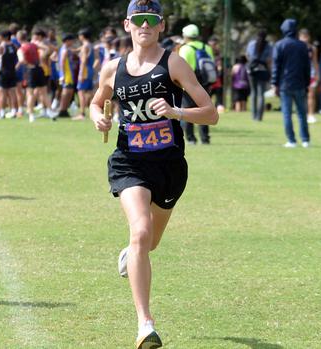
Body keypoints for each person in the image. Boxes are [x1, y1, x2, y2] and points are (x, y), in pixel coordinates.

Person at [89, 1, 218, 348]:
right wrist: (96, 116)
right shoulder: (112, 68)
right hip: (129, 161)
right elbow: (95, 101)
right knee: (141, 232)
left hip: (169, 166)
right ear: (127, 24)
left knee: (149, 243)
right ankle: (145, 324)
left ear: (160, 26)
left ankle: (131, 254)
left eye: (152, 20)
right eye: (138, 20)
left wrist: (176, 111)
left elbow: (210, 114)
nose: (145, 26)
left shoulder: (173, 63)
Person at [272, 19, 311, 148]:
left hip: (285, 84)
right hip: (300, 83)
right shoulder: (302, 45)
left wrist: (274, 83)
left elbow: (276, 67)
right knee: (302, 113)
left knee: (287, 113)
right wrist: (307, 83)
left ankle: (291, 140)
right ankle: (305, 140)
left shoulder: (279, 45)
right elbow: (307, 66)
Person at [178, 23, 214, 145]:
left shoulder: (185, 48)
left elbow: (181, 68)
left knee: (188, 110)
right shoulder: (206, 47)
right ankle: (205, 138)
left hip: (190, 83)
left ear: (185, 36)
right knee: (204, 109)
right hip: (205, 82)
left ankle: (191, 138)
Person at [246, 30, 272, 121]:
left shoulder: (251, 44)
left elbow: (248, 56)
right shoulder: (269, 46)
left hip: (252, 70)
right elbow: (269, 60)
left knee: (253, 93)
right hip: (263, 70)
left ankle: (253, 116)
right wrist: (270, 72)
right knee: (261, 94)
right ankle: (259, 117)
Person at [0, 30, 19, 119]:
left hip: (3, 72)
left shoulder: (1, 47)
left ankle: (2, 112)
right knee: (12, 92)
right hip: (12, 71)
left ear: (4, 37)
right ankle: (13, 111)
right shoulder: (14, 46)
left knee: (2, 93)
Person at [74, 28, 95, 121]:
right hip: (90, 70)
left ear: (82, 36)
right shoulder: (90, 45)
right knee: (89, 92)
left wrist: (81, 74)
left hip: (85, 70)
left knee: (81, 92)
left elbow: (83, 60)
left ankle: (82, 113)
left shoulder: (85, 46)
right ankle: (92, 112)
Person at [299, 29, 319, 124]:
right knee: (301, 95)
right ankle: (302, 113)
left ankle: (311, 114)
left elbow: (315, 61)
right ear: (299, 37)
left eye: (306, 37)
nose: (305, 39)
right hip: (299, 74)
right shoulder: (296, 47)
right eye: (303, 37)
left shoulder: (312, 48)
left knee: (311, 95)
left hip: (310, 73)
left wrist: (317, 73)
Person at [58, 33, 77, 117]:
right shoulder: (64, 50)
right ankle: (61, 110)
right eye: (71, 40)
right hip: (67, 73)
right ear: (67, 41)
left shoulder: (66, 49)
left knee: (70, 91)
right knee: (66, 91)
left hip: (70, 73)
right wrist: (62, 75)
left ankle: (65, 110)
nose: (72, 42)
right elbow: (62, 63)